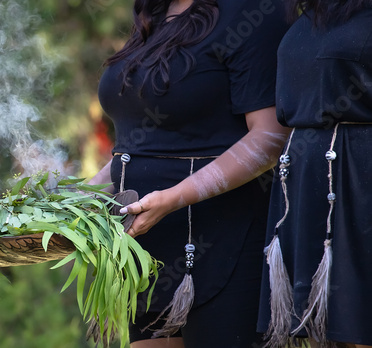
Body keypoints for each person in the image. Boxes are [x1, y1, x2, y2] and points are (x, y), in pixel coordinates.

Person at [89, 0, 290, 347]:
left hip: (226, 242)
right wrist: (73, 201)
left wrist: (173, 198)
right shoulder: (154, 13)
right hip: (144, 253)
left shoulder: (254, 11)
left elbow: (270, 137)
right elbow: (141, 149)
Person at [257, 1, 372, 347]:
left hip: (360, 179)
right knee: (333, 333)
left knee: (359, 322)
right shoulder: (311, 14)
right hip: (307, 181)